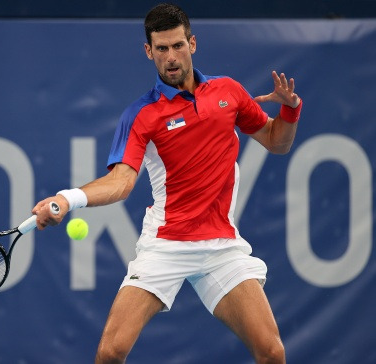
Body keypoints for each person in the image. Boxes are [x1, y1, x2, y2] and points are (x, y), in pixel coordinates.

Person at [33, 3, 302, 363]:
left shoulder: (229, 92)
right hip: (165, 247)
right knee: (111, 352)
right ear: (149, 52)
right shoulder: (142, 115)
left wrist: (290, 110)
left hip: (221, 246)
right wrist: (68, 198)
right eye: (161, 49)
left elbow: (276, 141)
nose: (171, 57)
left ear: (193, 43)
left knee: (272, 352)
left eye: (177, 46)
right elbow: (120, 183)